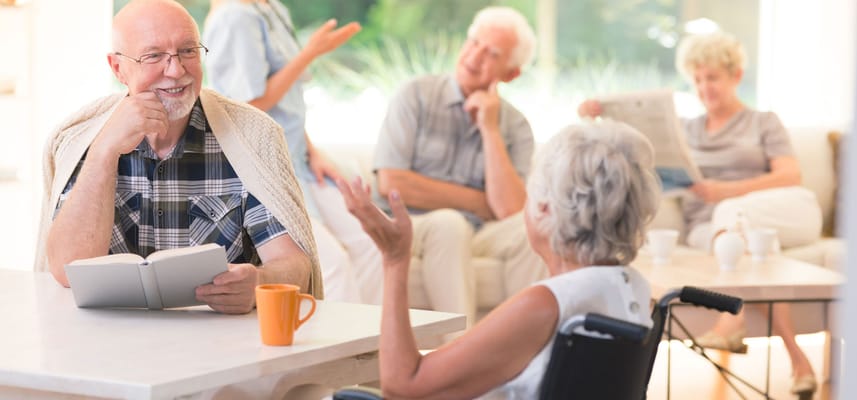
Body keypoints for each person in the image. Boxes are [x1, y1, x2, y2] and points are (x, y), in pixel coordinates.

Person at [35, 0, 322, 314]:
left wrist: (260, 283)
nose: (175, 71)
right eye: (154, 56)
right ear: (118, 68)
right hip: (108, 345)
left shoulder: (252, 136)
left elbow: (295, 264)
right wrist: (104, 152)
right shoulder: (81, 139)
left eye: (187, 51)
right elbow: (68, 270)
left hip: (222, 346)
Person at [338, 119, 660, 399]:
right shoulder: (638, 292)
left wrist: (395, 260)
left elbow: (403, 387)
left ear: (545, 208)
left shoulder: (546, 304)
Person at [578, 31, 820, 395]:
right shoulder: (686, 130)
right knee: (758, 250)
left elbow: (790, 175)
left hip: (780, 211)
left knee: (732, 213)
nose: (705, 87)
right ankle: (797, 358)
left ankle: (729, 322)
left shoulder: (762, 121)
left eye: (713, 78)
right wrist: (596, 122)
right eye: (698, 79)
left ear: (736, 76)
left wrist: (724, 192)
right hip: (712, 230)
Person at [371, 6, 544, 324]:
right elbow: (392, 184)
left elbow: (509, 210)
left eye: (491, 53)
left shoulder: (516, 126)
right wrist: (479, 202)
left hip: (477, 232)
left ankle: (525, 352)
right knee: (449, 224)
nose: (474, 56)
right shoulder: (417, 95)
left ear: (511, 73)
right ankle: (461, 358)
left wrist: (490, 129)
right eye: (474, 42)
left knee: (533, 226)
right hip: (413, 226)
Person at [203, 0, 368, 302]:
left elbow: (287, 103)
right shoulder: (235, 17)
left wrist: (312, 150)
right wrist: (309, 53)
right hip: (267, 170)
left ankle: (380, 345)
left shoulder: (272, 7)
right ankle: (342, 349)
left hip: (299, 160)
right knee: (332, 266)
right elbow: (249, 106)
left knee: (370, 241)